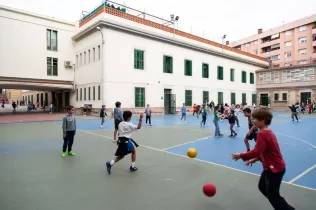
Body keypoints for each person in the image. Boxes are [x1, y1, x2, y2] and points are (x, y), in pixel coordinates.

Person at [232, 108, 295, 210]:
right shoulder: (267, 132)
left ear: (263, 120)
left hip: (275, 169)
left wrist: (241, 155)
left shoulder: (262, 134)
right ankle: (282, 205)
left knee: (273, 196)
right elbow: (264, 151)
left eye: (256, 119)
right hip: (270, 168)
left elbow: (256, 151)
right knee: (262, 187)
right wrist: (255, 159)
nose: (253, 121)